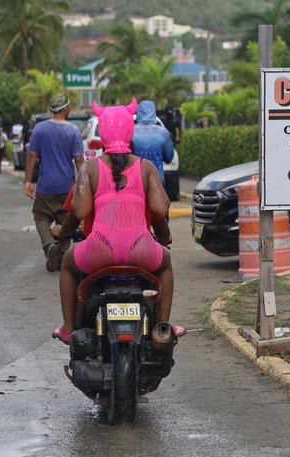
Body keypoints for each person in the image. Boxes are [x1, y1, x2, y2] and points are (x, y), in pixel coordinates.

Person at [50, 99, 181, 344]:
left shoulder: (90, 168)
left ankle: (68, 327)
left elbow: (79, 210)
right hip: (142, 249)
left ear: (104, 133)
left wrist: (63, 232)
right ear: (130, 131)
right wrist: (164, 237)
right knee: (166, 264)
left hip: (98, 250)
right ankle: (161, 327)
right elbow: (159, 210)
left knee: (67, 264)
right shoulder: (146, 167)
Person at [25, 93, 85, 272]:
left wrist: (28, 181)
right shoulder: (73, 131)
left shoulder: (39, 129)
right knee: (66, 220)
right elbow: (79, 160)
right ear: (65, 108)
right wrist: (84, 183)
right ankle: (60, 256)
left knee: (41, 216)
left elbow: (32, 155)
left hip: (45, 186)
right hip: (66, 186)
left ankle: (49, 245)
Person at [133, 100, 174, 186]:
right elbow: (169, 158)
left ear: (138, 113)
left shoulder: (130, 132)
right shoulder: (163, 133)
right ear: (154, 113)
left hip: (135, 182)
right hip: (157, 181)